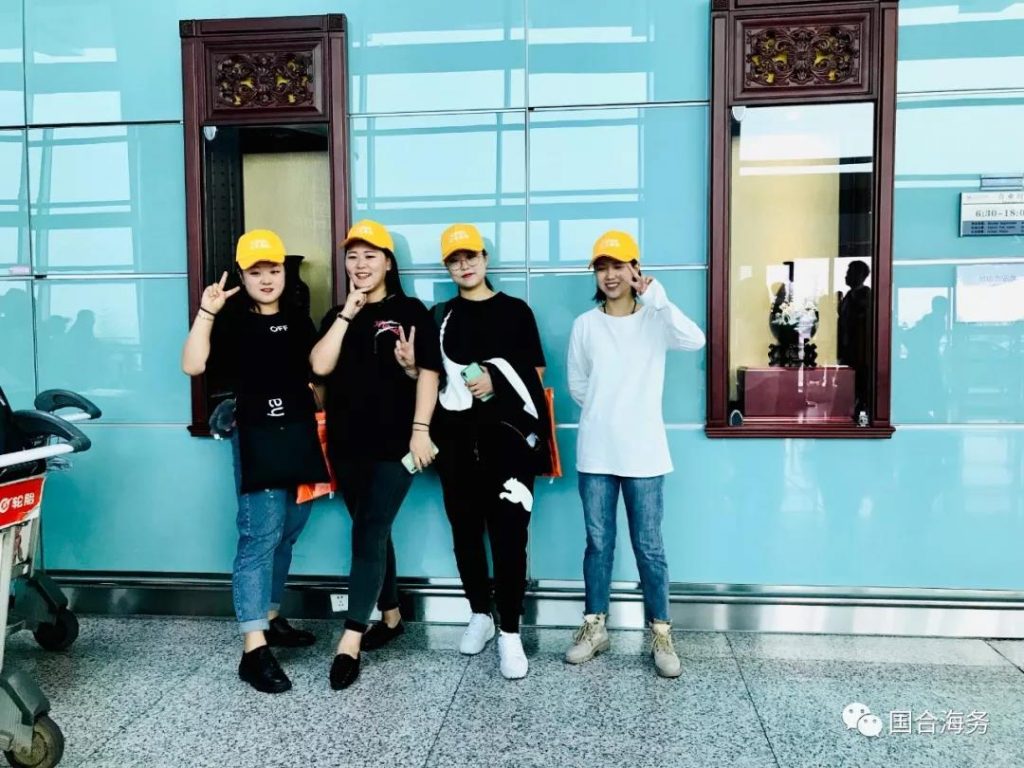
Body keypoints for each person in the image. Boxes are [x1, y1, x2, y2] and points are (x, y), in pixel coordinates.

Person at [181, 229, 324, 694]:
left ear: (285, 273)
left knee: (289, 528)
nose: (266, 279)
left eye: (273, 270)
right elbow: (192, 365)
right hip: (257, 437)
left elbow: (315, 372)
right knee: (259, 534)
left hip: (298, 433)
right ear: (242, 275)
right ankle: (253, 648)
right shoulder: (231, 322)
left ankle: (271, 616)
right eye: (256, 271)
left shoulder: (299, 319)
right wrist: (207, 311)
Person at [564, 230, 705, 678]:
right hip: (596, 451)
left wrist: (657, 297)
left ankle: (660, 632)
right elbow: (578, 384)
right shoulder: (585, 325)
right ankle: (595, 627)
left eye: (618, 266)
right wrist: (607, 412)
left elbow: (695, 339)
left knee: (649, 545)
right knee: (598, 543)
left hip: (644, 452)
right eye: (602, 267)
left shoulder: (655, 319)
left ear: (635, 269)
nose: (610, 275)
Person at [310, 219, 442, 691]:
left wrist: (420, 431)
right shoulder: (337, 315)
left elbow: (430, 373)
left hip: (395, 445)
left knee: (368, 529)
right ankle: (391, 616)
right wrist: (347, 314)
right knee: (372, 527)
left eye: (370, 256)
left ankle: (350, 639)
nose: (360, 264)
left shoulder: (411, 310)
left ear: (388, 262)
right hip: (347, 444)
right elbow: (319, 366)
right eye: (353, 256)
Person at [427, 223, 551, 680]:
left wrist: (496, 378)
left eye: (471, 256)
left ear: (484, 258)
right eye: (455, 260)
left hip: (510, 441)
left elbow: (536, 372)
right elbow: (430, 377)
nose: (464, 265)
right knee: (464, 530)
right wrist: (409, 368)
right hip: (455, 442)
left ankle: (511, 632)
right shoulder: (440, 315)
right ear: (448, 267)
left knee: (510, 535)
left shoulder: (515, 311)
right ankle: (479, 612)